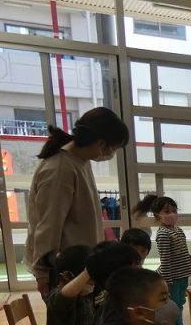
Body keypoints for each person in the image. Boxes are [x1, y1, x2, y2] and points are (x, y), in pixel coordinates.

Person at [24, 107, 129, 299]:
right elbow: (47, 225)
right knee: (74, 317)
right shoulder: (60, 168)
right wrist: (43, 272)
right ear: (101, 143)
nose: (111, 154)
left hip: (82, 264)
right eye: (113, 149)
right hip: (65, 269)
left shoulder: (80, 162)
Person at [152, 196, 191, 325]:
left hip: (182, 274)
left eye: (174, 210)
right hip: (172, 278)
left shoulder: (178, 230)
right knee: (171, 304)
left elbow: (182, 251)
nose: (172, 214)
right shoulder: (163, 234)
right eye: (167, 211)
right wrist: (167, 281)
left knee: (180, 303)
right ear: (157, 216)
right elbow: (165, 259)